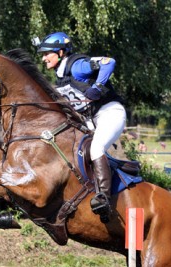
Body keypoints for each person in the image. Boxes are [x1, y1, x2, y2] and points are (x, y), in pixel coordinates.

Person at [34, 31, 126, 223]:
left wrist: (99, 87)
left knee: (96, 148)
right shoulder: (60, 78)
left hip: (110, 113)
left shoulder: (77, 66)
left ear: (60, 52)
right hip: (92, 120)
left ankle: (104, 198)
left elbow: (109, 62)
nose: (43, 59)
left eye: (46, 54)